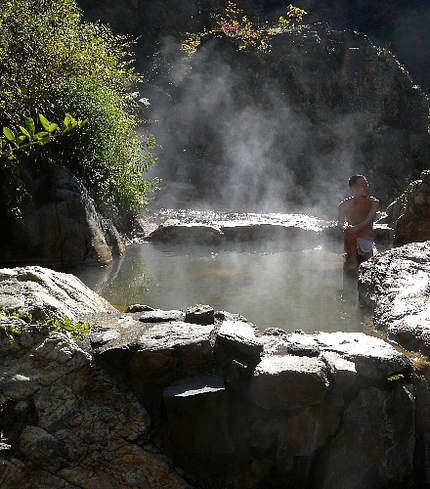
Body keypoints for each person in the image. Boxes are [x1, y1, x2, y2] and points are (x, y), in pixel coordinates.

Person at [337, 175, 379, 270]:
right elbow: (339, 223)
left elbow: (369, 220)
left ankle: (363, 253)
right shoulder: (344, 205)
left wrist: (355, 228)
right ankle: (354, 262)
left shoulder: (373, 202)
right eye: (362, 185)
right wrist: (345, 229)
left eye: (366, 184)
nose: (366, 187)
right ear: (353, 189)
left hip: (367, 239)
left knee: (370, 264)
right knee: (349, 231)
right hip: (351, 240)